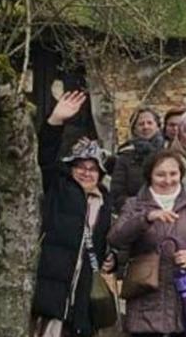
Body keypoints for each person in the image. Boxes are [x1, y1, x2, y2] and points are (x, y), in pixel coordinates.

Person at [108, 149, 186, 336]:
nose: (168, 180)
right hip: (147, 298)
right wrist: (146, 218)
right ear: (149, 176)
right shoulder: (134, 204)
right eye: (161, 174)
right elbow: (116, 237)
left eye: (173, 173)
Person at [32, 91, 116, 337]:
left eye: (92, 169)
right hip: (52, 287)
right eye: (80, 166)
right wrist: (55, 121)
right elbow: (44, 157)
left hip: (83, 294)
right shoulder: (58, 188)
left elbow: (111, 242)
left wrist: (114, 258)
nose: (86, 173)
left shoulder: (105, 203)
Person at [112, 107, 165, 213]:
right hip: (135, 214)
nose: (146, 127)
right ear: (134, 129)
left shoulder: (168, 152)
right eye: (141, 124)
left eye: (149, 123)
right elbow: (117, 193)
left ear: (157, 126)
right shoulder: (125, 156)